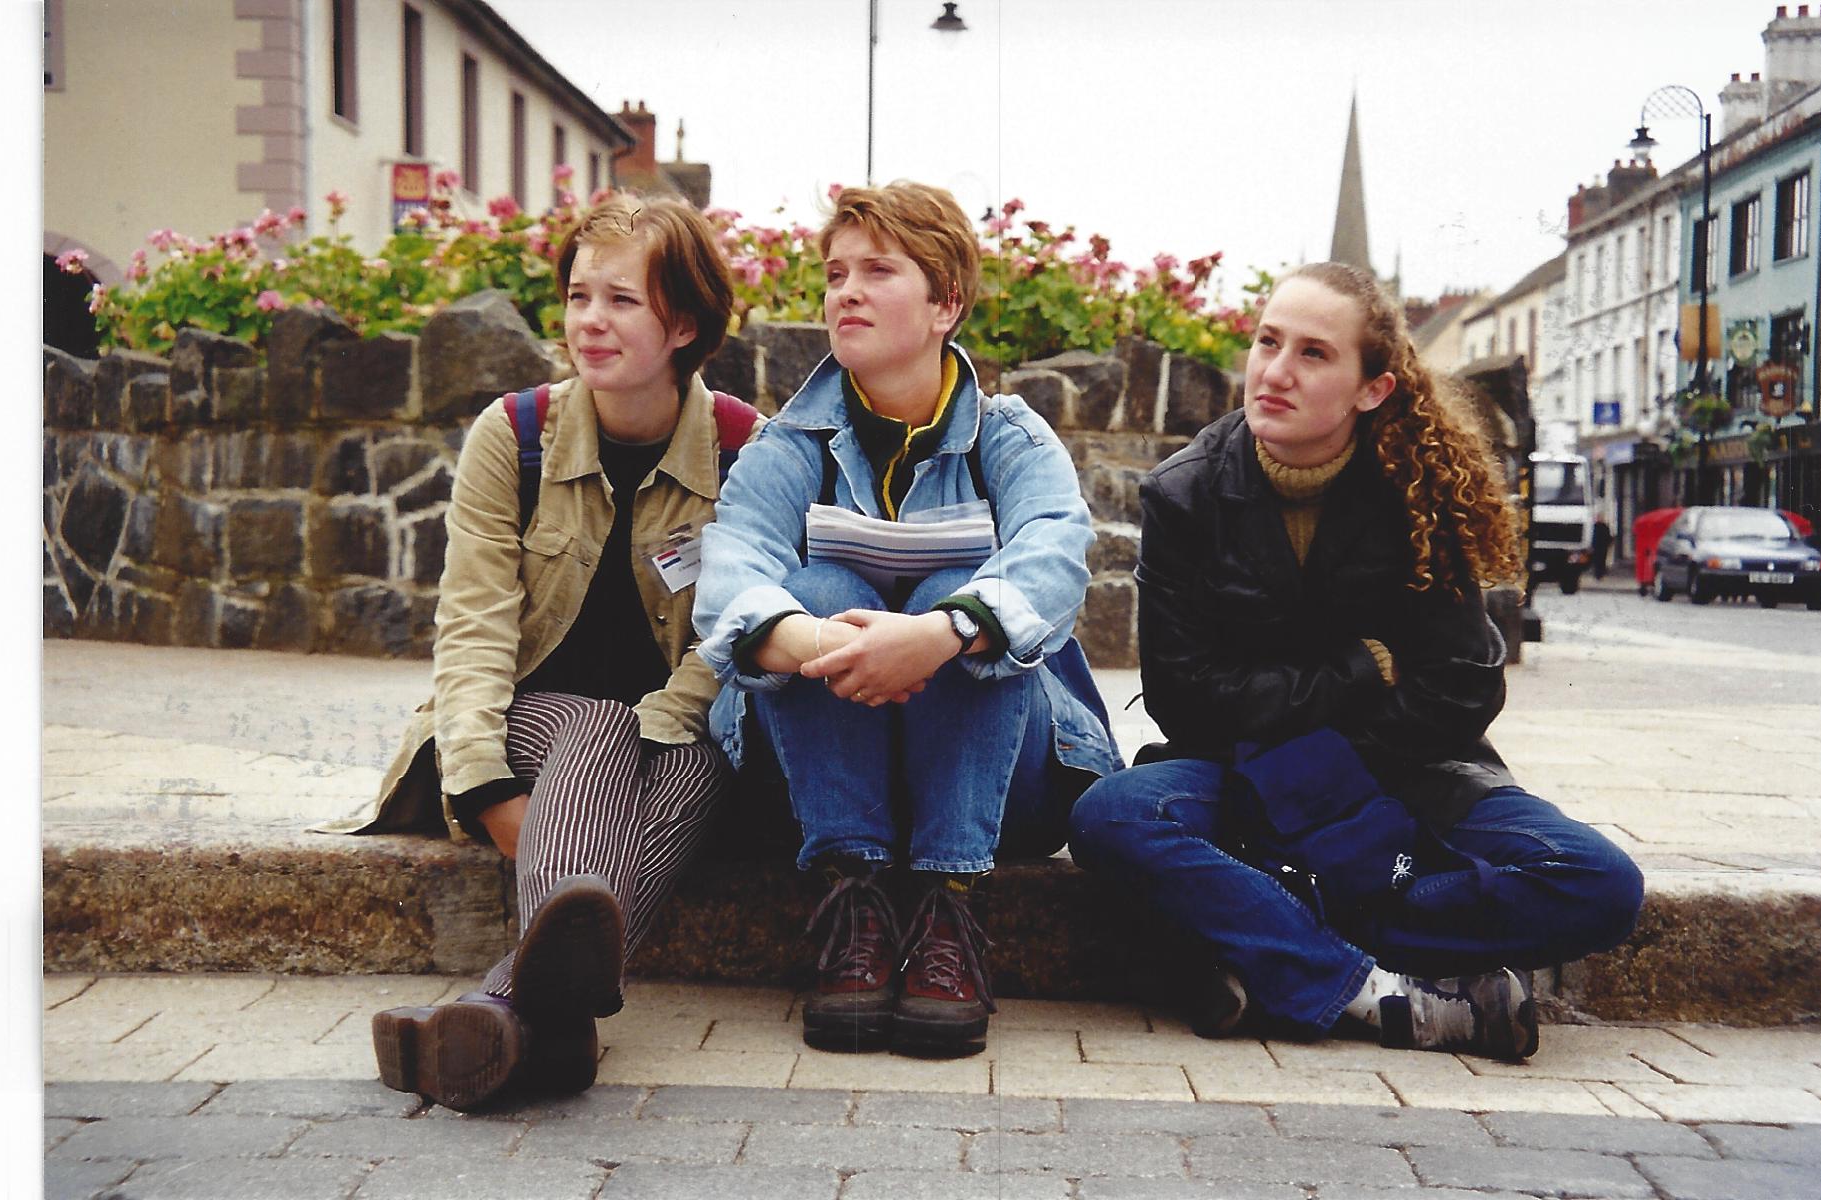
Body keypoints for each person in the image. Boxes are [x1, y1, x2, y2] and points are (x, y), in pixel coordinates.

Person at [1066, 262, 1643, 1061]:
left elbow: (1462, 690)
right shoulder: (1185, 494)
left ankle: (1270, 941)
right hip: (1241, 774)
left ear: (1370, 388)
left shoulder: (1419, 491)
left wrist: (1329, 778)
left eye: (1312, 354)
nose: (1274, 371)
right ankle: (1379, 997)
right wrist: (1363, 669)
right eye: (1268, 342)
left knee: (1600, 883)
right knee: (1112, 816)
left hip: (1408, 774)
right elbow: (1186, 699)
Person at [312, 194, 759, 1110]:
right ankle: (534, 999)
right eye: (578, 294)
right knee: (595, 721)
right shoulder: (512, 435)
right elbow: (472, 627)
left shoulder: (744, 448)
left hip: (670, 741)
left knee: (703, 765)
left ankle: (513, 1018)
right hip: (523, 731)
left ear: (682, 322)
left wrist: (658, 728)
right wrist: (481, 785)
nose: (589, 320)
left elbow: (733, 635)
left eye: (621, 300)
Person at [692, 182, 1121, 1058]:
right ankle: (852, 902)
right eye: (836, 271)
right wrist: (832, 645)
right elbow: (729, 576)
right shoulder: (785, 447)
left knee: (959, 591)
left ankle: (949, 911)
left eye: (878, 271)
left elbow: (1054, 555)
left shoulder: (1011, 435)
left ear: (946, 304)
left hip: (1005, 790)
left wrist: (934, 637)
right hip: (812, 780)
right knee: (813, 592)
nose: (845, 289)